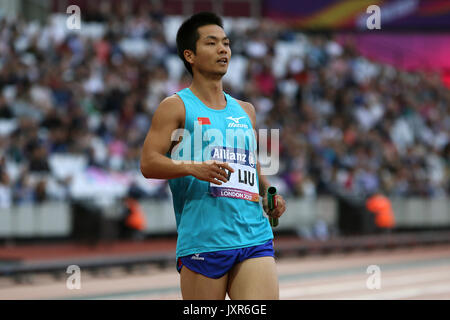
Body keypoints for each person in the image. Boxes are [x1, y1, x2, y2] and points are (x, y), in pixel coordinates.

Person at [140, 12, 286, 300]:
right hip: (205, 240)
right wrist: (193, 168)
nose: (223, 50)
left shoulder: (246, 110)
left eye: (226, 43)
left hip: (254, 234)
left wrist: (269, 192)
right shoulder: (175, 107)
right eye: (212, 43)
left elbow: (251, 163)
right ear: (190, 55)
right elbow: (148, 163)